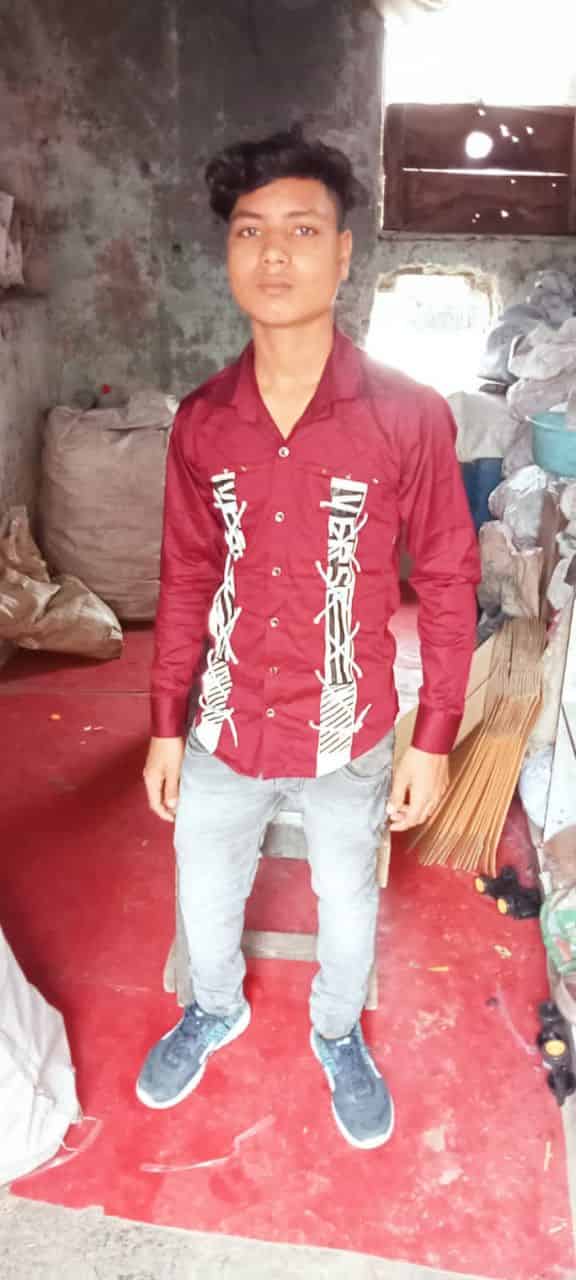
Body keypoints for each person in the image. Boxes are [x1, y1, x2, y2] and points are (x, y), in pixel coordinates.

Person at [137, 124, 480, 1149]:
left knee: (348, 904)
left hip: (349, 727)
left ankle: (337, 1031)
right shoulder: (203, 421)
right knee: (205, 891)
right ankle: (213, 1008)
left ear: (343, 254)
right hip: (224, 726)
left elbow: (449, 576)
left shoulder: (408, 416)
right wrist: (164, 724)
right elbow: (187, 576)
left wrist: (434, 736)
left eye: (301, 229)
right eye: (251, 231)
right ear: (228, 253)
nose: (274, 254)